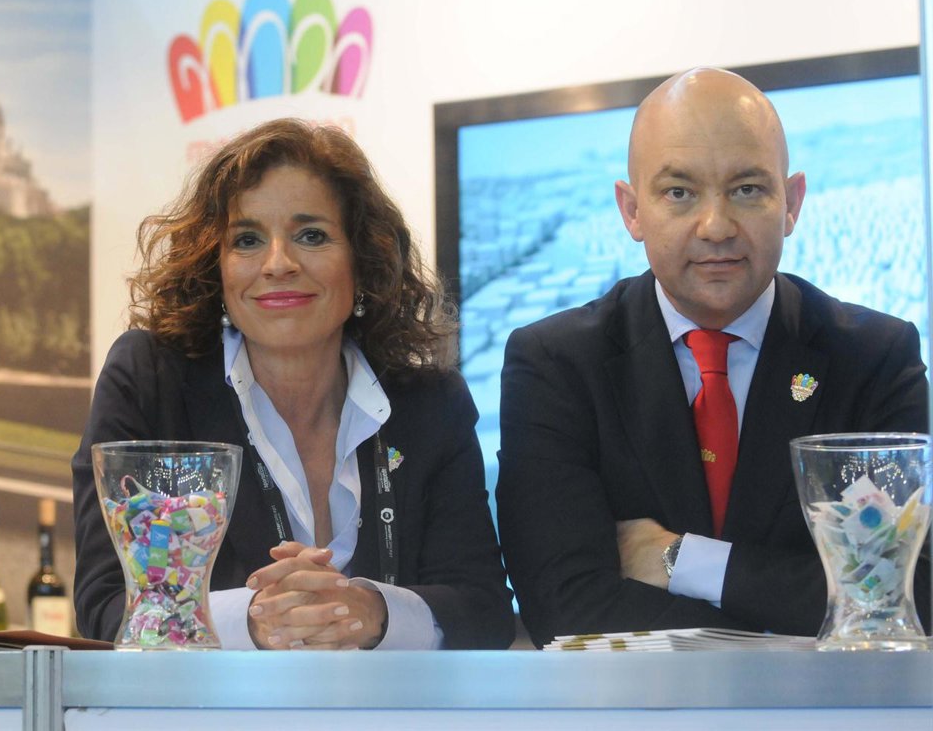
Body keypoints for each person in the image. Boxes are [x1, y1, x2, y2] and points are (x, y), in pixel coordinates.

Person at [497, 68, 930, 646]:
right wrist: (793, 613)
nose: (717, 226)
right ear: (632, 210)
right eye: (679, 193)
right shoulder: (556, 364)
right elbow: (565, 606)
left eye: (747, 189)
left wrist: (684, 561)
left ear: (792, 203)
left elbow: (908, 595)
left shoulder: (873, 359)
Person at [73, 118, 513, 650]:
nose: (278, 264)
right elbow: (106, 605)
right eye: (247, 240)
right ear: (216, 268)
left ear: (363, 260)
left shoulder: (430, 403)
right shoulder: (152, 380)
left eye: (311, 236)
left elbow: (483, 610)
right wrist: (256, 619)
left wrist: (374, 612)